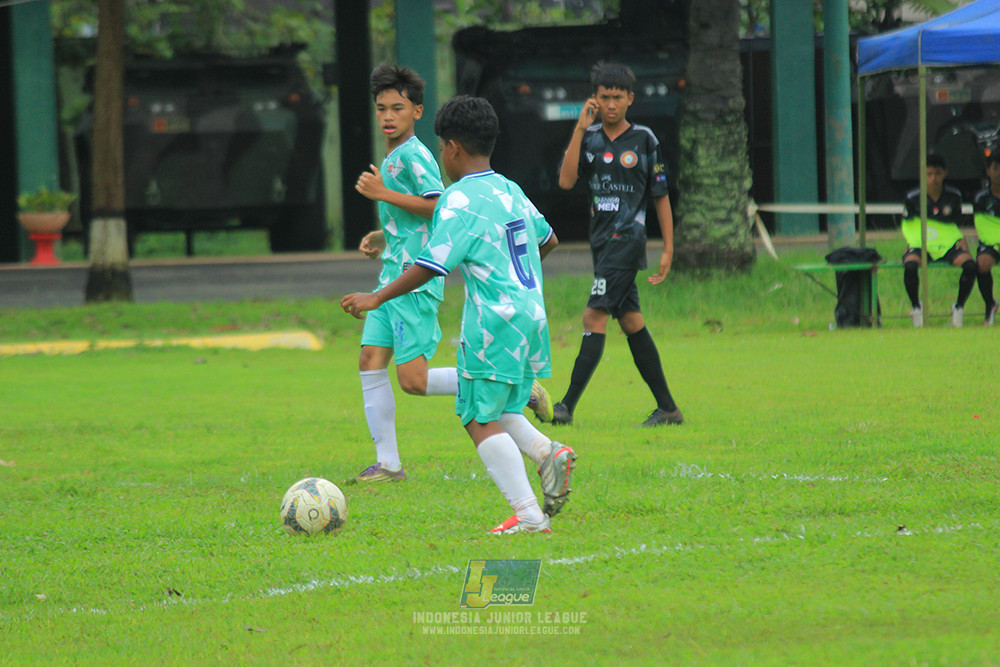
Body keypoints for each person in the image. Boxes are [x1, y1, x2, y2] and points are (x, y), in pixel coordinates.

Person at [342, 95, 576, 534]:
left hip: (492, 320)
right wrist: (514, 277)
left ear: (452, 148)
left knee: (476, 417)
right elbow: (549, 239)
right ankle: (547, 453)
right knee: (501, 405)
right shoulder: (509, 189)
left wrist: (377, 297)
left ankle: (529, 515)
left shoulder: (458, 199)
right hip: (530, 313)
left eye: (441, 148)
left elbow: (430, 265)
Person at [540, 61, 682, 428]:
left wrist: (668, 248)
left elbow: (661, 196)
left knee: (593, 316)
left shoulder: (645, 140)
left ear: (630, 99)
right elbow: (566, 181)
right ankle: (668, 410)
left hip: (627, 240)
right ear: (595, 99)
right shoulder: (589, 138)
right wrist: (579, 128)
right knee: (632, 321)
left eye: (618, 97)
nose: (611, 104)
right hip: (601, 243)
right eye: (605, 97)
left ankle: (566, 406)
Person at [351, 64, 456, 483]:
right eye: (381, 109)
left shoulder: (414, 153)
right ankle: (389, 465)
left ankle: (510, 384)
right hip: (391, 275)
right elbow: (412, 217)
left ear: (417, 111)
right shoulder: (393, 155)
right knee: (369, 359)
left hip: (414, 278)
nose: (388, 116)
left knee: (413, 380)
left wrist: (382, 194)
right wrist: (384, 235)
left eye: (398, 108)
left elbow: (439, 206)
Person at [901, 153, 976, 328]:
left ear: (945, 174)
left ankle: (958, 307)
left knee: (970, 265)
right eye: (929, 174)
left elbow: (954, 223)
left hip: (946, 245)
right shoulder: (913, 197)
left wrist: (959, 238)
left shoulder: (954, 196)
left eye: (937, 174)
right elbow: (907, 225)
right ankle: (916, 307)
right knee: (910, 265)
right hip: (922, 244)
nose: (933, 178)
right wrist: (911, 243)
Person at [973, 152, 1000, 325]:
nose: (999, 172)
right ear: (988, 171)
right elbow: (982, 227)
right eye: (996, 168)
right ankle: (990, 304)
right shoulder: (981, 198)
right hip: (991, 244)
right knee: (982, 263)